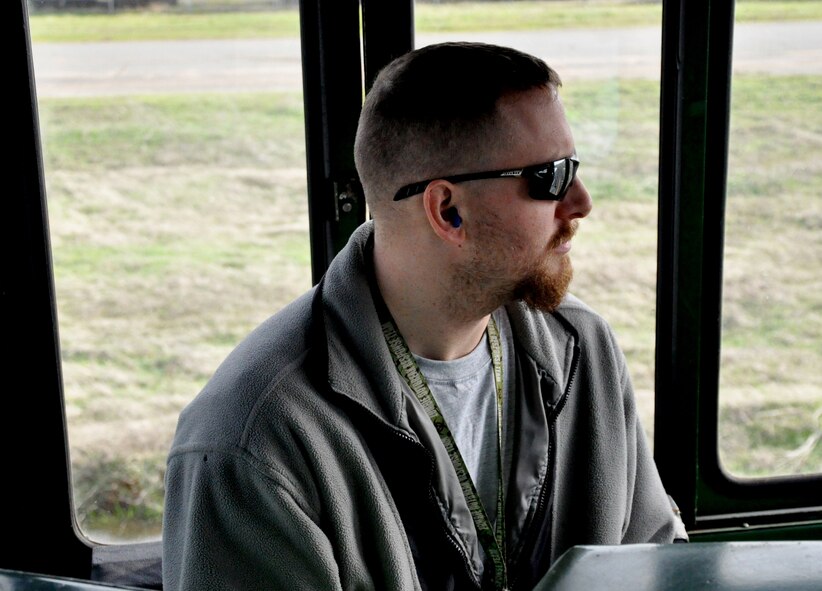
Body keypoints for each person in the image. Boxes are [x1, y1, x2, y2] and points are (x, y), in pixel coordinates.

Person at [162, 42, 687, 591]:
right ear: (447, 211)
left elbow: (654, 561)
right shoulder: (253, 441)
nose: (580, 201)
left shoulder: (581, 348)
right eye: (549, 177)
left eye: (573, 169)